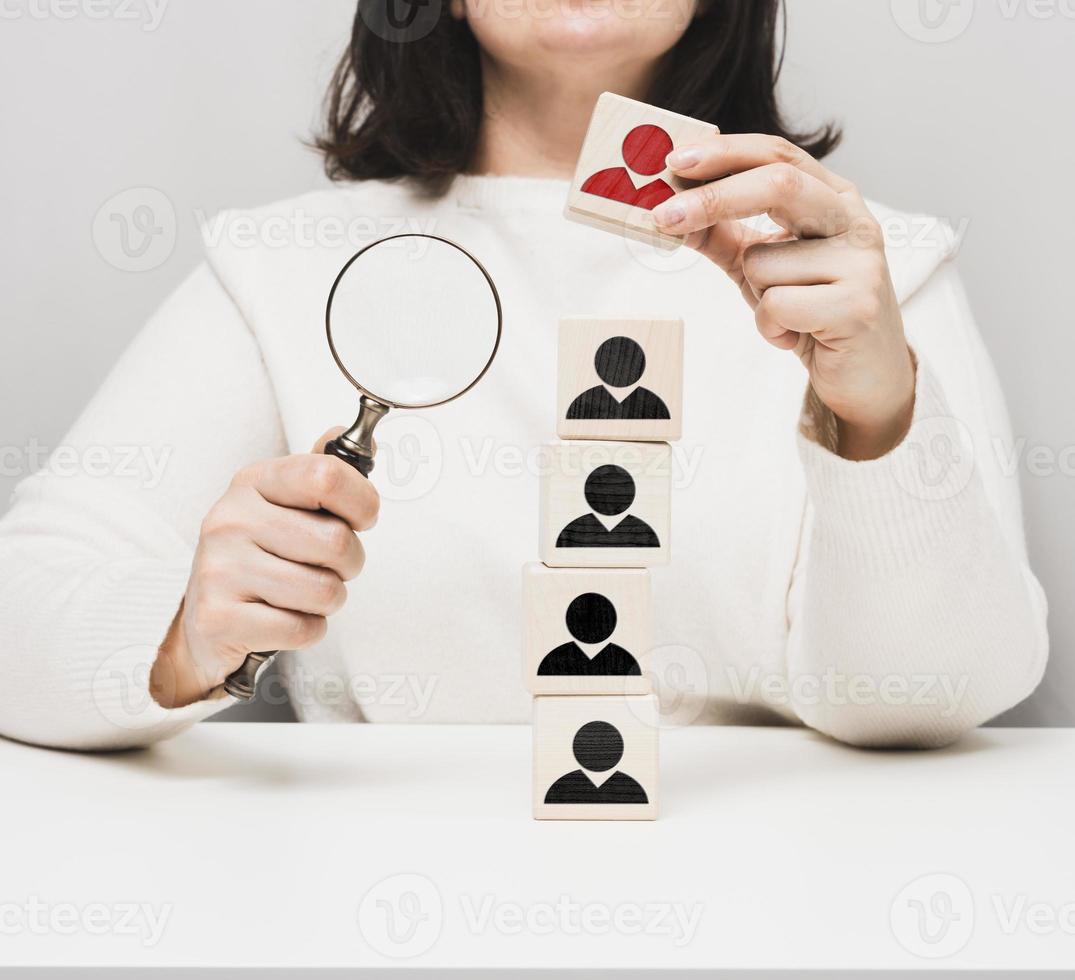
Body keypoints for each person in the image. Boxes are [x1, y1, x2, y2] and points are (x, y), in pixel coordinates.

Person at [0, 0, 1048, 750]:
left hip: (785, 904)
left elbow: (940, 694)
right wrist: (185, 634)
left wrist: (878, 417)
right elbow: (20, 610)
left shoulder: (873, 268)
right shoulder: (284, 266)